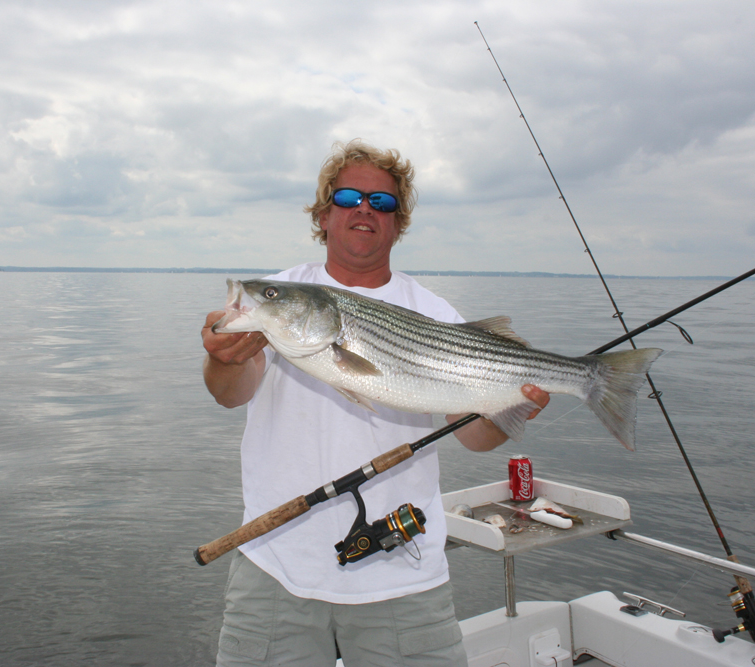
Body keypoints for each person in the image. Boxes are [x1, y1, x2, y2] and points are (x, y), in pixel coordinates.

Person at [201, 139, 549, 666]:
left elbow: (475, 436)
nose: (364, 208)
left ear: (397, 222)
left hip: (402, 569)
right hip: (274, 561)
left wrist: (509, 408)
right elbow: (232, 395)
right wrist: (224, 358)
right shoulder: (283, 297)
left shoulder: (433, 312)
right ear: (323, 215)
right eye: (348, 197)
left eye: (381, 202)